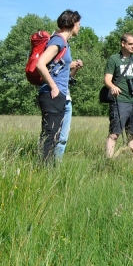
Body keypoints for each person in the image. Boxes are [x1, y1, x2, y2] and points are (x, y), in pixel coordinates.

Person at [36, 10, 83, 164]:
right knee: (50, 135)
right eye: (78, 24)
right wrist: (53, 87)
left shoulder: (64, 43)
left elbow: (61, 75)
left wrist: (74, 69)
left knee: (54, 135)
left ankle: (49, 168)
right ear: (72, 23)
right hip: (52, 95)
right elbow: (40, 64)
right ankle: (43, 169)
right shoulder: (58, 41)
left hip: (59, 94)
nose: (79, 27)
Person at [104, 33, 133, 158]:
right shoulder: (114, 59)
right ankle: (109, 161)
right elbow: (107, 79)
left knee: (132, 134)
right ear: (123, 43)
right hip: (120, 101)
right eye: (130, 44)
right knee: (114, 134)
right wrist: (113, 87)